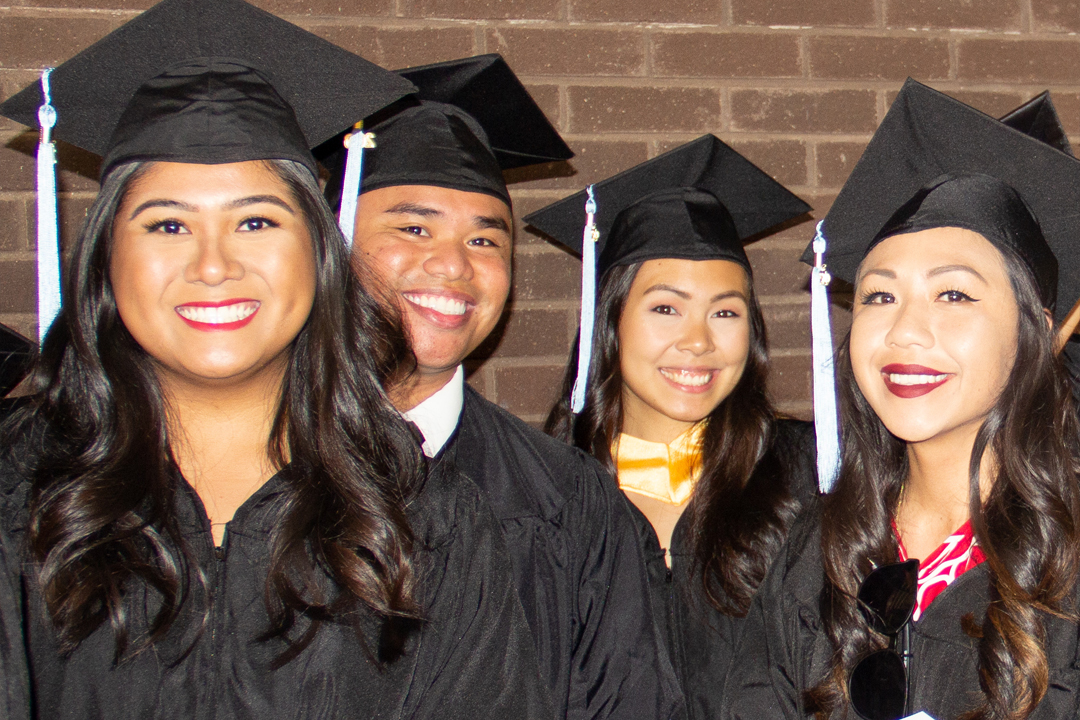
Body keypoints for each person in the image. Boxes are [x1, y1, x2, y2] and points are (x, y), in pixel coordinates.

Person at [0, 1, 553, 717]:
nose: (213, 264)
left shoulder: (428, 517)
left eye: (257, 221)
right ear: (106, 260)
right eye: (167, 223)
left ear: (320, 258)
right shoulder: (19, 490)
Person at [321, 54, 682, 720]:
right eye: (413, 228)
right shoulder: (250, 469)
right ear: (331, 246)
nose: (455, 264)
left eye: (487, 240)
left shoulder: (567, 497)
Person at [721, 79, 1080, 720]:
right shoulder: (814, 556)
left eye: (954, 294)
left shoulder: (1069, 559)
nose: (904, 331)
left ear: (1040, 333)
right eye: (879, 296)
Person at [526, 134, 816, 720]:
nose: (699, 341)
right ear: (609, 321)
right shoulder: (538, 493)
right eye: (665, 308)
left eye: (726, 312)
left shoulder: (811, 477)